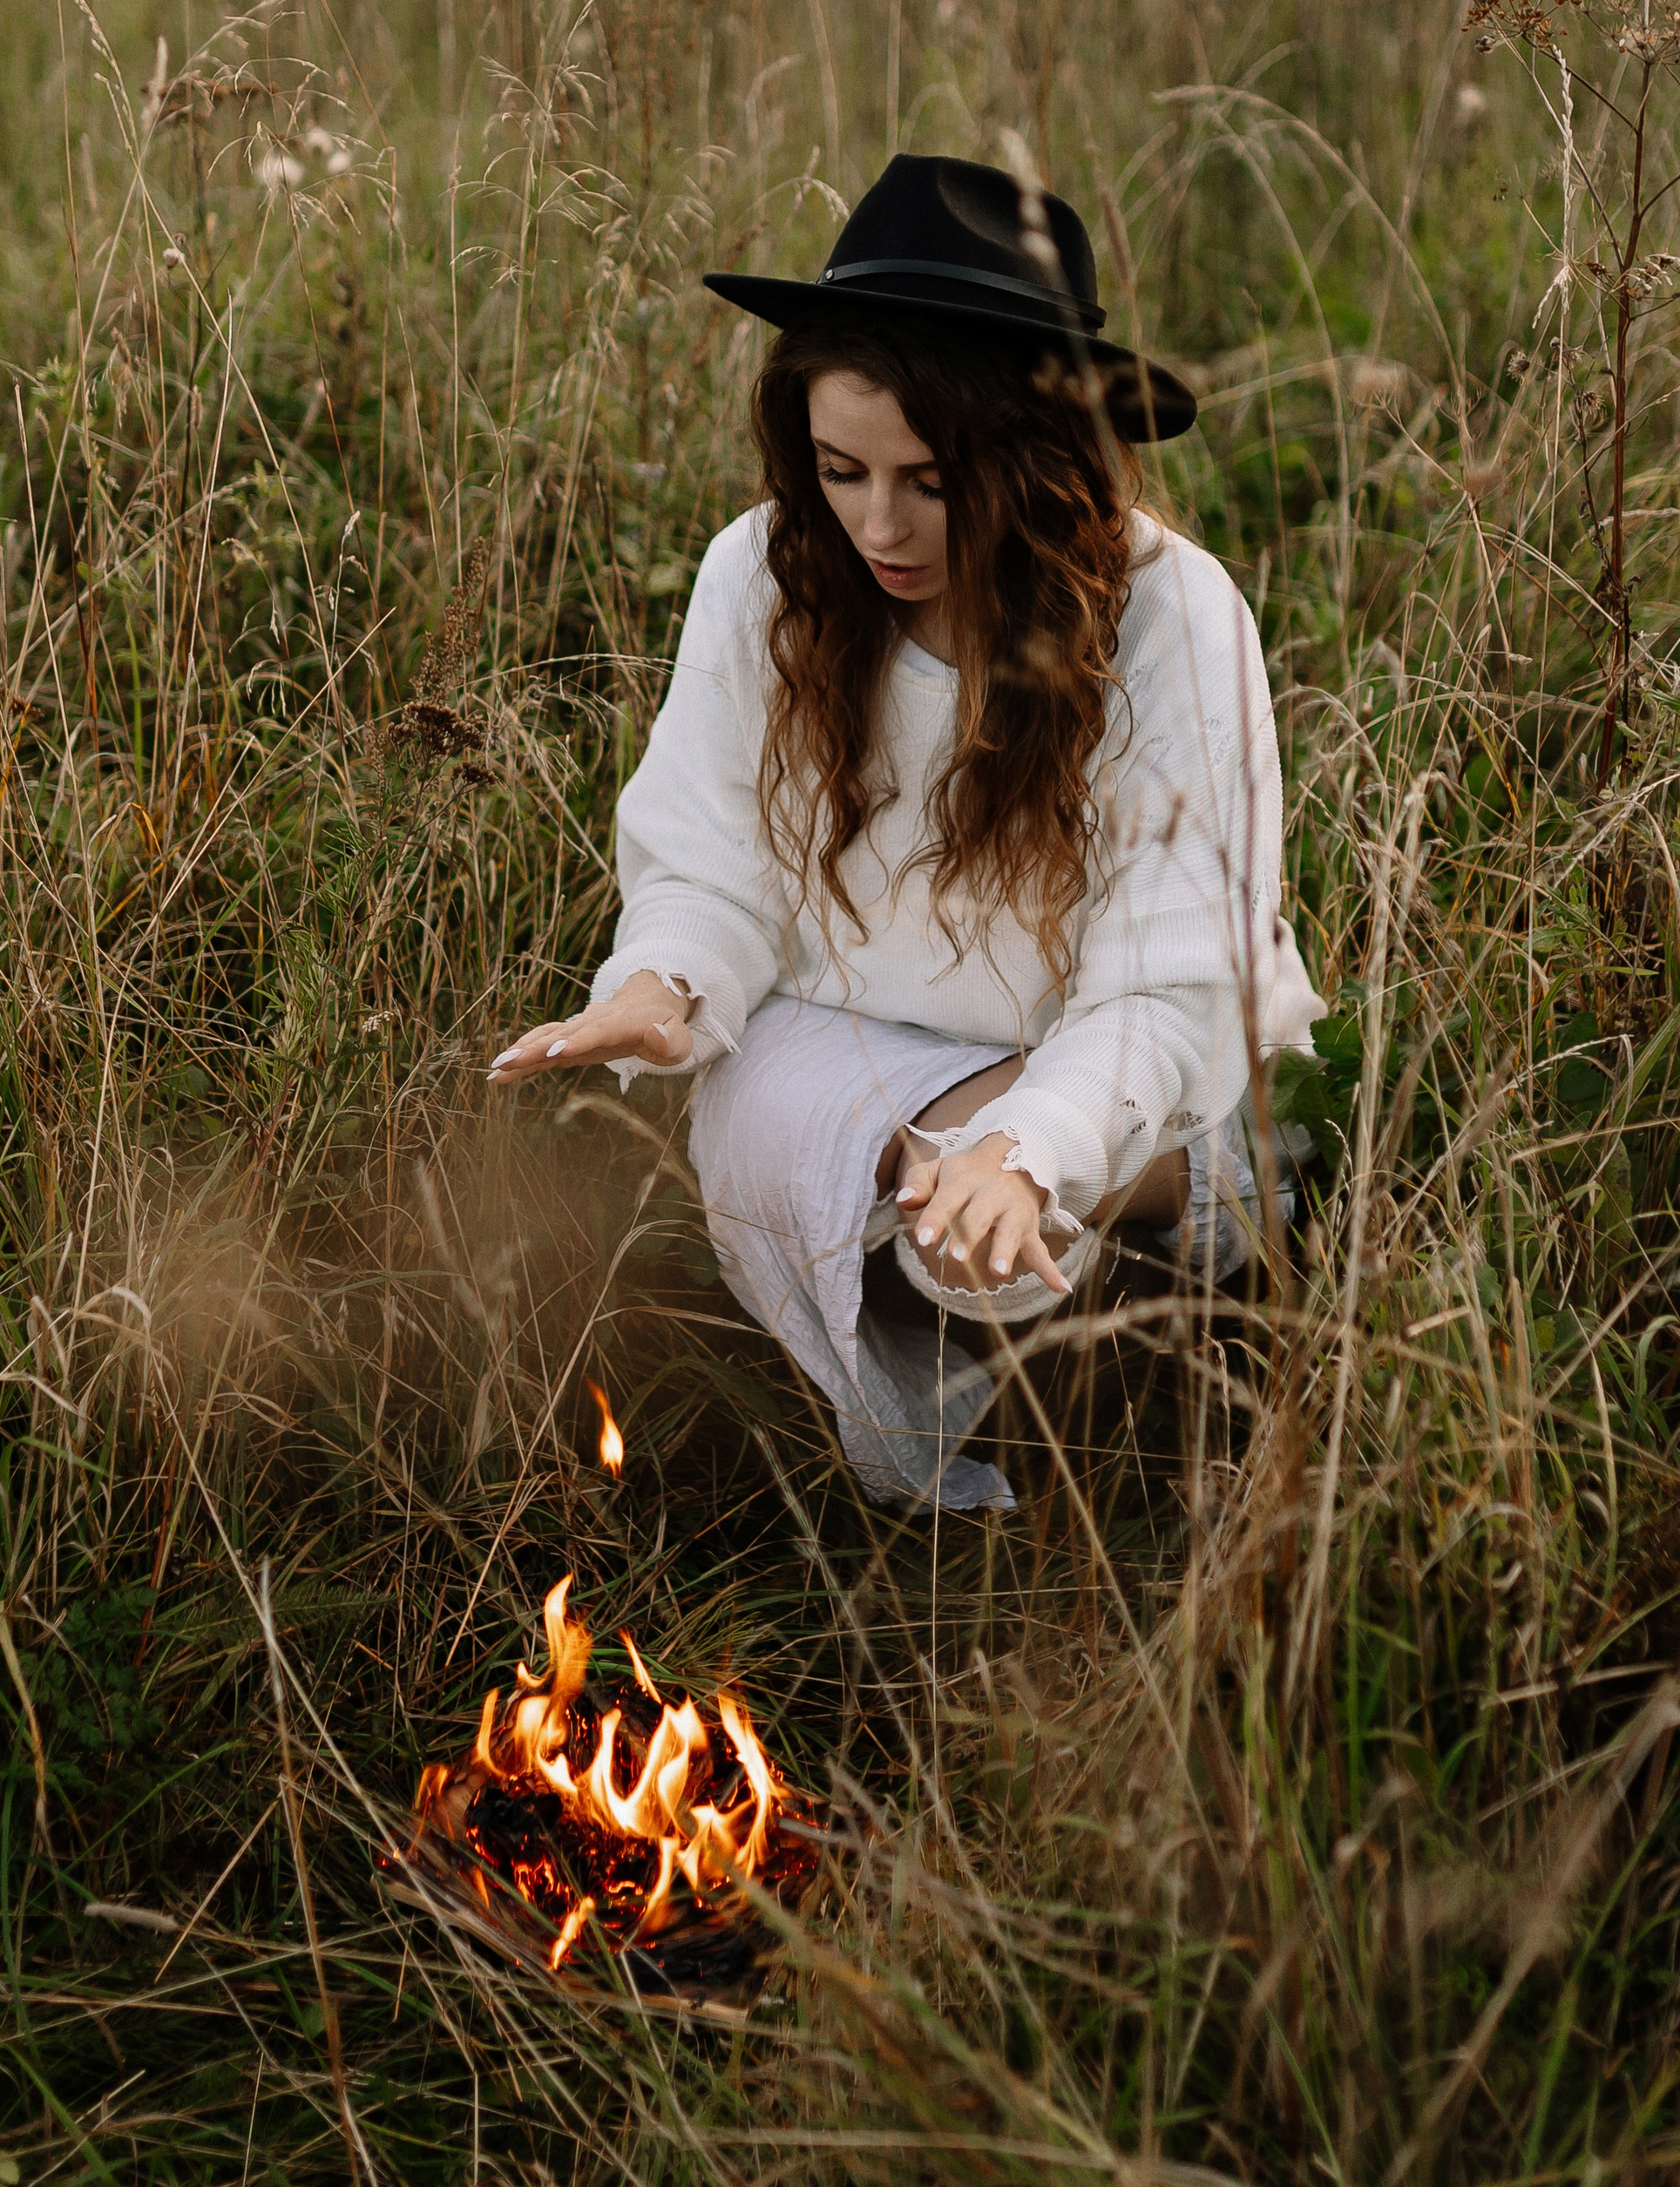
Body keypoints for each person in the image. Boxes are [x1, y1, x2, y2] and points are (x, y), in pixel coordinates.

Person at [490, 154, 1324, 1510]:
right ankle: (1071, 1240)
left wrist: (1032, 1142)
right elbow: (712, 866)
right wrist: (662, 987)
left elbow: (1169, 980)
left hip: (1105, 1050)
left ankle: (1186, 1198)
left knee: (969, 1214)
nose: (878, 524)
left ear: (1038, 458)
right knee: (775, 1114)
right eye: (839, 470)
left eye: (931, 479)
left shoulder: (1174, 617)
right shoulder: (765, 573)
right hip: (839, 1039)